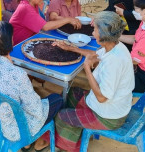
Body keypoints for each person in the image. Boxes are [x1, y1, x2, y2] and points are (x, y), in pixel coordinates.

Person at [34, 11, 134, 152]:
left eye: (95, 30)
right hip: (115, 105)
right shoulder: (116, 46)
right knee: (72, 92)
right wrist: (70, 48)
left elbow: (101, 97)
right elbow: (94, 54)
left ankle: (71, 145)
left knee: (62, 117)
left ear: (105, 34)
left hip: (109, 116)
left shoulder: (114, 62)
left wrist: (87, 69)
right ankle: (73, 133)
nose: (93, 33)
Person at [0, 21, 63, 151]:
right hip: (16, 130)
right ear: (8, 43)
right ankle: (36, 141)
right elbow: (35, 109)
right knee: (57, 99)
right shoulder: (18, 74)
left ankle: (26, 145)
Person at [9, 0, 81, 45]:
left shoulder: (33, 4)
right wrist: (68, 19)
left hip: (29, 40)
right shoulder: (26, 8)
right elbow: (45, 27)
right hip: (19, 43)